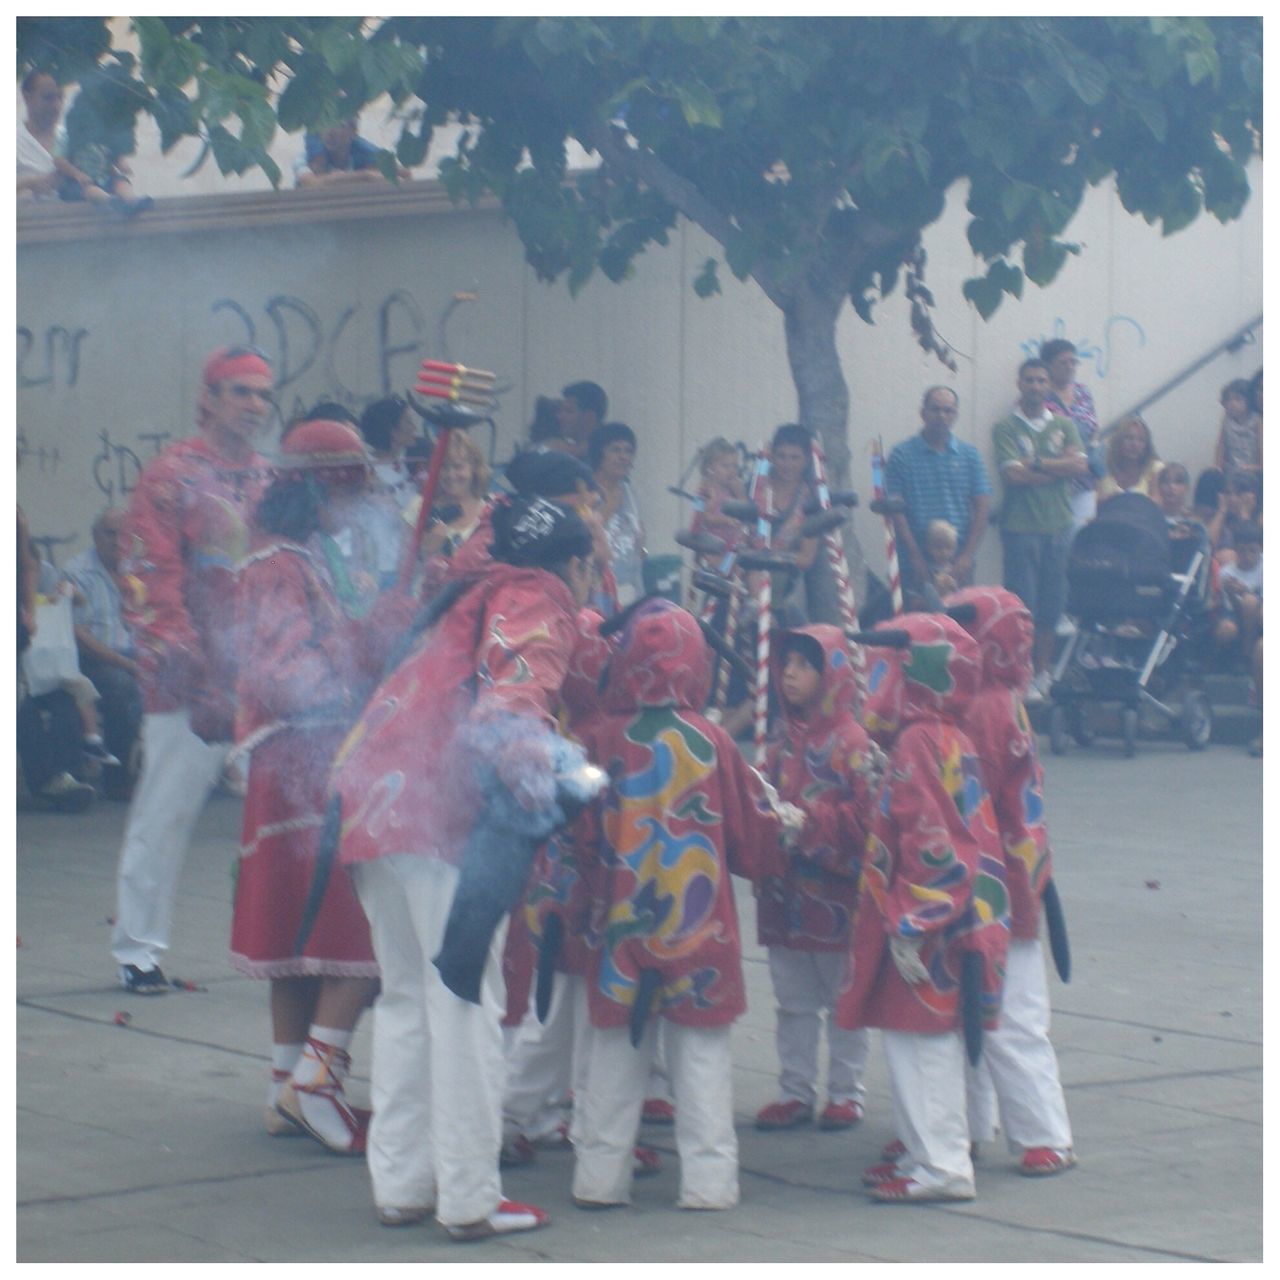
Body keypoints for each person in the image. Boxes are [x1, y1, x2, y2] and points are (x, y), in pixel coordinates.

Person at [332, 494, 595, 1239]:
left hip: (371, 810)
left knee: (409, 1001)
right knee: (463, 1004)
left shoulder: (462, 593)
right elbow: (509, 710)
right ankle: (471, 1197)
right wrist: (562, 787)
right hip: (448, 821)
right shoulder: (537, 595)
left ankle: (403, 1184)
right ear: (572, 563)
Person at [232, 419, 411, 1154]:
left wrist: (380, 626)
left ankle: (284, 1090)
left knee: (299, 941)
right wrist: (357, 677)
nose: (358, 504)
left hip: (296, 766)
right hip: (309, 763)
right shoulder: (280, 564)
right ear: (323, 487)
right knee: (359, 937)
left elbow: (330, 646)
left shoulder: (297, 558)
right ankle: (317, 1080)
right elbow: (286, 672)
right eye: (352, 487)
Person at [571, 602, 785, 1211]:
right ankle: (710, 1183)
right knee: (702, 1056)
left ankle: (599, 1178)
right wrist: (780, 839)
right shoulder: (711, 739)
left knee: (614, 1053)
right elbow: (750, 836)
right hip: (700, 929)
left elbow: (580, 833)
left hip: (619, 925)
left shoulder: (598, 739)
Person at [110, 345, 273, 995]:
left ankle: (287, 945)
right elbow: (148, 581)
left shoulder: (269, 477)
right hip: (190, 683)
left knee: (288, 814)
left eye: (263, 394)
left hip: (263, 679)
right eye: (241, 392)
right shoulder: (170, 476)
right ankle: (138, 949)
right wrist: (191, 671)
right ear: (207, 399)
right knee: (166, 813)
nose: (256, 405)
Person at [836, 613, 1008, 1204]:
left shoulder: (919, 739)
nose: (879, 677)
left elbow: (932, 839)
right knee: (916, 1041)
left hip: (929, 921)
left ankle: (940, 1165)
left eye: (890, 665)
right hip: (954, 914)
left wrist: (913, 923)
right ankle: (921, 1153)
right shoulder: (946, 734)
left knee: (922, 1042)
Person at [945, 586, 1076, 1177]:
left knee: (1008, 1012)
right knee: (965, 1007)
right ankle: (972, 1125)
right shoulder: (997, 700)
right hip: (1009, 876)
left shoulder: (984, 708)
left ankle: (1043, 1131)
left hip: (995, 883)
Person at [754, 626, 878, 1134]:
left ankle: (847, 1092)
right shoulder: (782, 742)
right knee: (793, 1000)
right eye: (787, 664)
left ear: (832, 674)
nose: (789, 674)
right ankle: (795, 1090)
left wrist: (808, 820)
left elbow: (868, 820)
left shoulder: (854, 742)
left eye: (804, 666)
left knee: (843, 999)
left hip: (836, 898)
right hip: (787, 897)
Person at [993, 358, 1088, 701]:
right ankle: (1020, 673)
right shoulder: (1005, 427)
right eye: (1029, 380)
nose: (1035, 386)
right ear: (1019, 384)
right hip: (1020, 528)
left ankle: (1043, 673)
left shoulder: (1065, 425)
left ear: (1049, 386)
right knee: (1022, 607)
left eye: (1041, 380)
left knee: (1050, 606)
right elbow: (1012, 476)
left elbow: (1079, 466)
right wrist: (1057, 471)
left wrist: (1035, 464)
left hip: (1058, 526)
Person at [62, 509, 143, 798]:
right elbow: (78, 635)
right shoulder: (78, 572)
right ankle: (119, 779)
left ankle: (187, 775)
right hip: (94, 659)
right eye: (110, 533)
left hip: (134, 654)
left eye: (124, 534)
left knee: (181, 677)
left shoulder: (138, 569)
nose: (118, 540)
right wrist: (125, 663)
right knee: (120, 684)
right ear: (96, 537)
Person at [885, 387, 992, 603]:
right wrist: (915, 556)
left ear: (955, 416)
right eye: (935, 409)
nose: (942, 416)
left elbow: (982, 507)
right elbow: (895, 511)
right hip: (914, 561)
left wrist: (966, 556)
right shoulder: (901, 455)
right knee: (916, 627)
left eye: (948, 411)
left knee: (959, 626)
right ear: (923, 413)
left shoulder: (969, 455)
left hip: (958, 561)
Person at [412, 431, 493, 597]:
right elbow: (404, 570)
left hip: (476, 603)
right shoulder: (419, 507)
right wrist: (428, 552)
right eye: (443, 467)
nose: (450, 475)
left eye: (458, 466)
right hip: (428, 606)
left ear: (474, 469)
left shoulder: (492, 509)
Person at [17, 69, 106, 205]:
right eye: (48, 98)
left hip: (76, 223)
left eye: (60, 97)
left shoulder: (72, 138)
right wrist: (30, 183)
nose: (56, 105)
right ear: (27, 97)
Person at [1041, 339, 1102, 531]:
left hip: (1084, 481)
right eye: (1063, 362)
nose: (1069, 367)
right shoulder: (1039, 395)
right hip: (1051, 483)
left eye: (1073, 362)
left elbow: (1093, 429)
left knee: (1082, 538)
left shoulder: (1083, 392)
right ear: (1049, 365)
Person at [589, 422, 646, 608]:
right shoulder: (586, 491)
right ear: (600, 453)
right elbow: (585, 535)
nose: (623, 457)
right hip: (597, 591)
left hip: (630, 589)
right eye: (616, 450)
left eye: (628, 451)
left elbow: (638, 540)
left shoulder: (629, 492)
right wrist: (610, 505)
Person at [295, 115, 409, 188]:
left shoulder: (365, 153)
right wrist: (365, 176)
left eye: (339, 125)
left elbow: (404, 176)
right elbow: (311, 183)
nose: (330, 131)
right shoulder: (305, 158)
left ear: (353, 130)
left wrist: (341, 179)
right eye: (324, 124)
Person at [1213, 521, 1262, 669]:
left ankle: (1248, 654)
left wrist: (1245, 591)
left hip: (1259, 611)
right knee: (1226, 629)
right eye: (1242, 551)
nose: (1247, 556)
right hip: (1235, 613)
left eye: (1252, 551)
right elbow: (1230, 608)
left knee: (1250, 601)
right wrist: (1231, 593)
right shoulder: (1226, 573)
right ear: (1235, 550)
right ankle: (1222, 661)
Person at [1096, 415, 1163, 506]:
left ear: (1146, 445)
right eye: (1129, 438)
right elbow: (1097, 505)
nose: (1134, 444)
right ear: (1118, 441)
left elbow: (1158, 503)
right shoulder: (1104, 468)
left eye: (1141, 440)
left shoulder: (1155, 468)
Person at [1213, 378, 1263, 485]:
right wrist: (1218, 466)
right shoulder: (1226, 420)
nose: (1232, 403)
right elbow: (1221, 445)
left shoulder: (1257, 420)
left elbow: (1261, 445)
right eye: (1228, 400)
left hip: (1254, 468)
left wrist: (1259, 467)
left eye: (1238, 399)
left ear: (1249, 401)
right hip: (1232, 467)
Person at [557, 382, 608, 460]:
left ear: (589, 417)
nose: (560, 417)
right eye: (561, 410)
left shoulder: (603, 460)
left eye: (569, 411)